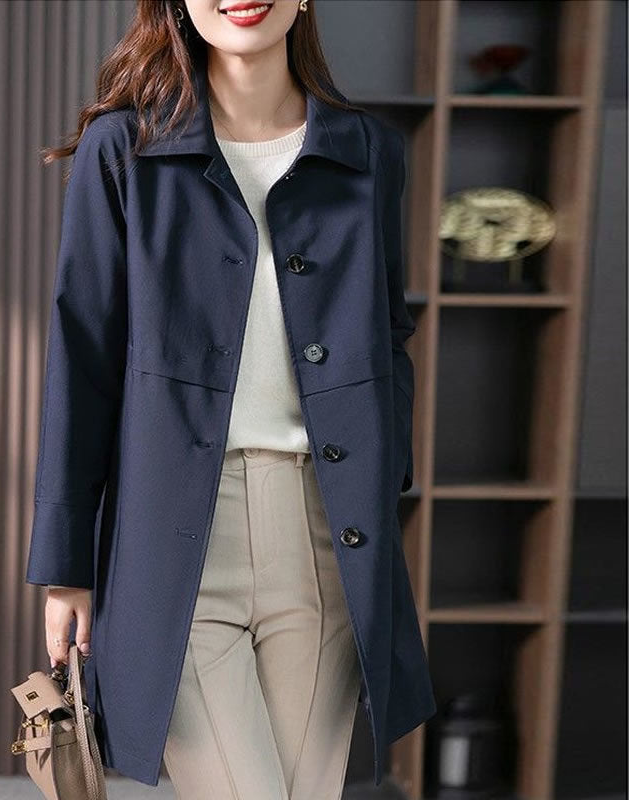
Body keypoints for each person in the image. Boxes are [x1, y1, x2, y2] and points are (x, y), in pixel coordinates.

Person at [27, 0, 436, 797]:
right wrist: (64, 564)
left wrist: (386, 485)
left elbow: (389, 338)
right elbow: (82, 356)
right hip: (175, 536)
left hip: (326, 538)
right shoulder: (127, 149)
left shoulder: (367, 153)